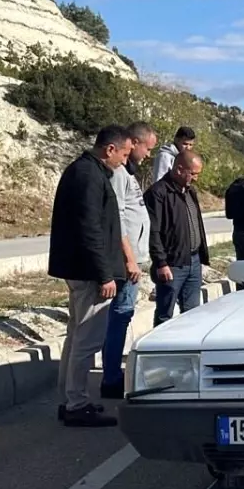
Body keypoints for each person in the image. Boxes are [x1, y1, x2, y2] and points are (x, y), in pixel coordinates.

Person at [47, 125, 132, 426]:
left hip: (81, 270)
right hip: (90, 273)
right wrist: (105, 275)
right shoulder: (89, 176)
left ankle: (70, 397)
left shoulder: (85, 171)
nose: (124, 161)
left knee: (76, 335)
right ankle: (76, 403)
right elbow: (90, 229)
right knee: (87, 339)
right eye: (123, 154)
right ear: (110, 149)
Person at [100, 121, 157, 399]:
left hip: (132, 259)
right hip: (126, 261)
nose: (148, 155)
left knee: (123, 315)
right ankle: (110, 378)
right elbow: (118, 217)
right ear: (134, 143)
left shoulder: (127, 173)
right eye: (147, 148)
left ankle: (112, 374)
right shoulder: (118, 174)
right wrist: (130, 259)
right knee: (120, 316)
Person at [144, 149, 209, 326]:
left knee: (192, 312)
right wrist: (161, 263)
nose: (196, 178)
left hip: (193, 262)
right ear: (180, 169)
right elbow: (153, 231)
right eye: (193, 173)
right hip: (172, 265)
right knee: (165, 314)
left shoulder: (190, 192)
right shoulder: (158, 193)